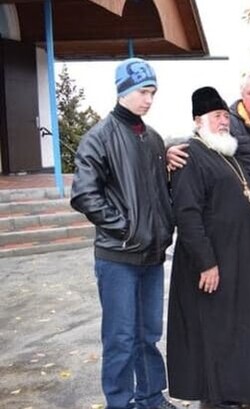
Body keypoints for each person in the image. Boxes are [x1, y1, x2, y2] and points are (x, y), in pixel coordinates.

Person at [167, 87, 250, 408]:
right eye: (216, 116)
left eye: (225, 117)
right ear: (197, 121)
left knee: (239, 327)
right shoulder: (191, 156)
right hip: (214, 264)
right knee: (218, 333)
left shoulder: (224, 153)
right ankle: (219, 398)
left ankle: (241, 388)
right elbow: (187, 214)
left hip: (239, 261)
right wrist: (206, 262)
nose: (223, 122)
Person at [70, 58, 176, 409]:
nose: (149, 99)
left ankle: (150, 396)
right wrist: (126, 229)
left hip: (151, 257)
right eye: (144, 91)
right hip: (118, 258)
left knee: (148, 334)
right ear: (124, 90)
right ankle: (119, 402)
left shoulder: (154, 139)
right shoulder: (99, 137)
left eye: (153, 92)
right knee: (120, 337)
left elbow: (160, 191)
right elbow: (85, 194)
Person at [167, 75, 250, 310]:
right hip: (235, 233)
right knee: (242, 295)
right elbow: (195, 142)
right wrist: (167, 152)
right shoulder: (231, 127)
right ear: (242, 96)